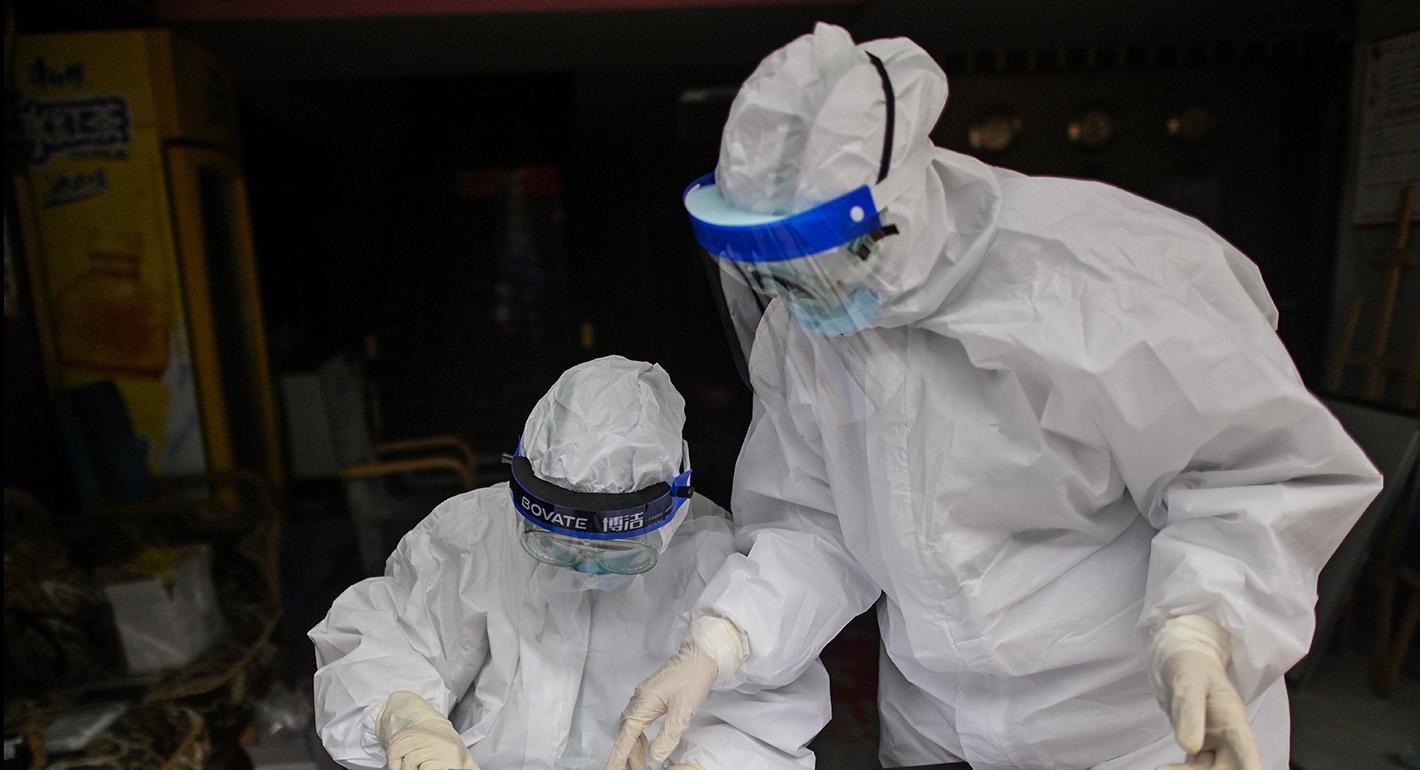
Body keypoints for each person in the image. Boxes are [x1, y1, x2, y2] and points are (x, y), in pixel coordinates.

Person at [606, 23, 1382, 770]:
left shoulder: (1104, 275)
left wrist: (1203, 632)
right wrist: (718, 643)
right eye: (772, 267)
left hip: (1139, 729)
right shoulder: (807, 329)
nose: (795, 293)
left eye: (813, 259)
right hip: (943, 730)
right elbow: (813, 523)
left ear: (891, 213)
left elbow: (1249, 476)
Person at [311, 356, 829, 770]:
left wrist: (706, 763)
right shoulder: (472, 536)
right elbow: (384, 638)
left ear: (675, 503)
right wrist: (403, 714)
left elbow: (769, 717)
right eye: (557, 544)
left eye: (619, 552)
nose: (585, 571)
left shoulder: (719, 568)